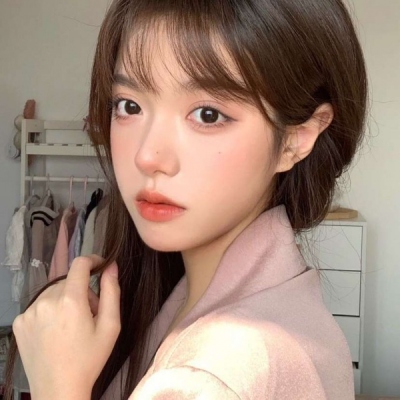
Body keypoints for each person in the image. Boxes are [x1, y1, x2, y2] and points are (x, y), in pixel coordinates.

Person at [4, 0, 368, 399]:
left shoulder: (208, 379)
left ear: (296, 138)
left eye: (208, 114)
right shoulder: (274, 300)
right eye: (129, 106)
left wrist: (58, 387)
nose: (147, 156)